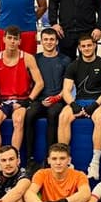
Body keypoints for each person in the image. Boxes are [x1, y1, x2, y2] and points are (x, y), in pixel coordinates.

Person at [57, 33, 101, 178]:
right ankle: (65, 161)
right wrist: (73, 105)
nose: (87, 48)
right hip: (79, 100)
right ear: (79, 48)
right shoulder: (73, 66)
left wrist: (94, 106)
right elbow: (66, 91)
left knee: (100, 118)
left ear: (95, 46)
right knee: (63, 116)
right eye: (83, 46)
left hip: (97, 101)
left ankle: (95, 163)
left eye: (89, 45)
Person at [0, 26, 43, 172]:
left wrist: (28, 100)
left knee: (18, 121)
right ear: (4, 39)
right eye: (10, 38)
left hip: (21, 98)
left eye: (15, 39)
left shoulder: (28, 58)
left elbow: (39, 83)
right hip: (3, 99)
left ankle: (14, 160)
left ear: (19, 41)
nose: (12, 41)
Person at [23, 28, 71, 172]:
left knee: (52, 114)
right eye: (46, 39)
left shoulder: (65, 60)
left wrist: (56, 98)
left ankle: (48, 159)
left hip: (58, 99)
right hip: (39, 99)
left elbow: (67, 86)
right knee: (29, 115)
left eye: (51, 39)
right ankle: (30, 159)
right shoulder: (35, 59)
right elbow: (30, 82)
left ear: (56, 42)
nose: (49, 42)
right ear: (41, 41)